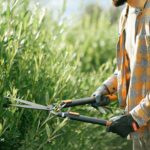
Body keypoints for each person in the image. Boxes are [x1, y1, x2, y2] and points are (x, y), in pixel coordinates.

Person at [92, 0, 150, 149]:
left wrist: (135, 118)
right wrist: (107, 88)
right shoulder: (126, 15)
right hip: (142, 133)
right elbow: (129, 68)